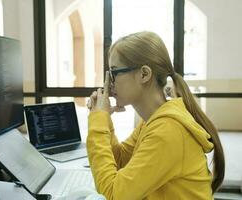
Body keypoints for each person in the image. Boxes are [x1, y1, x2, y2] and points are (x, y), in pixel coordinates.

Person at [86, 31, 225, 200]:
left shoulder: (168, 130)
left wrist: (97, 122)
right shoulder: (153, 121)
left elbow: (114, 194)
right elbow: (122, 160)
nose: (109, 84)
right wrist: (104, 121)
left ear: (144, 74)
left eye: (114, 73)